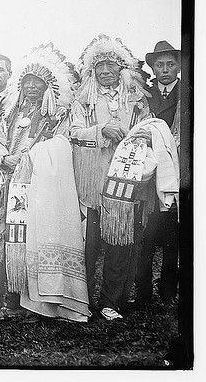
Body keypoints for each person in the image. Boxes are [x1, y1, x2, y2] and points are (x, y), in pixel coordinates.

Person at [0, 44, 87, 322]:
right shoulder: (9, 114)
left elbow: (62, 146)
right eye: (27, 82)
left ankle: (37, 304)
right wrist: (3, 157)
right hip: (7, 185)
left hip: (39, 191)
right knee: (7, 241)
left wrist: (34, 156)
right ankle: (10, 302)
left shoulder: (55, 118)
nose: (31, 87)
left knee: (34, 242)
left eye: (37, 83)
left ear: (47, 88)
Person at [69, 34, 151, 321]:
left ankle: (111, 301)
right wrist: (100, 129)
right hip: (92, 181)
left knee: (119, 241)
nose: (105, 71)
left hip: (124, 181)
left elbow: (147, 129)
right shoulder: (83, 99)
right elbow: (74, 133)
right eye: (100, 66)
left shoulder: (136, 100)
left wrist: (135, 137)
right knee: (88, 245)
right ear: (93, 70)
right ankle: (81, 298)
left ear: (121, 68)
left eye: (111, 66)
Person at [134, 41, 181, 309]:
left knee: (173, 236)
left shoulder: (187, 94)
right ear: (152, 68)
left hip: (175, 171)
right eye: (159, 65)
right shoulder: (146, 96)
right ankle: (142, 294)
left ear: (177, 67)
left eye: (170, 65)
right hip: (148, 173)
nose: (165, 70)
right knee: (146, 236)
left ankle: (168, 292)